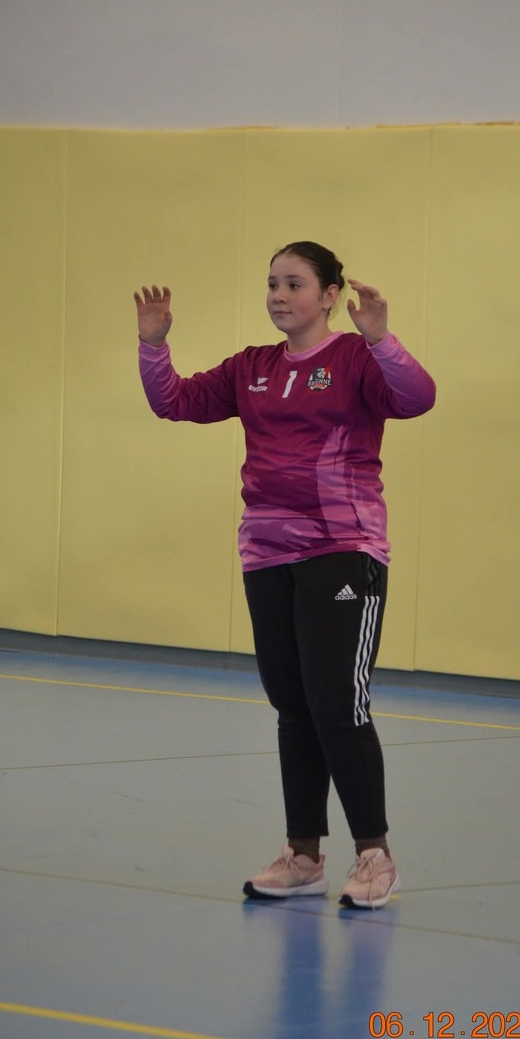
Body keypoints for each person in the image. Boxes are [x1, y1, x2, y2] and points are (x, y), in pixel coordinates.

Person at [135, 241, 436, 908]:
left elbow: (417, 399)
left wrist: (381, 338)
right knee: (293, 705)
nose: (278, 295)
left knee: (337, 703)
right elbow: (174, 402)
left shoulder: (354, 358)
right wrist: (153, 345)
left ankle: (374, 855)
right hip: (267, 554)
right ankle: (303, 856)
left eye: (294, 284)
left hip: (343, 549)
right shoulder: (252, 367)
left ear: (329, 296)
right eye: (272, 283)